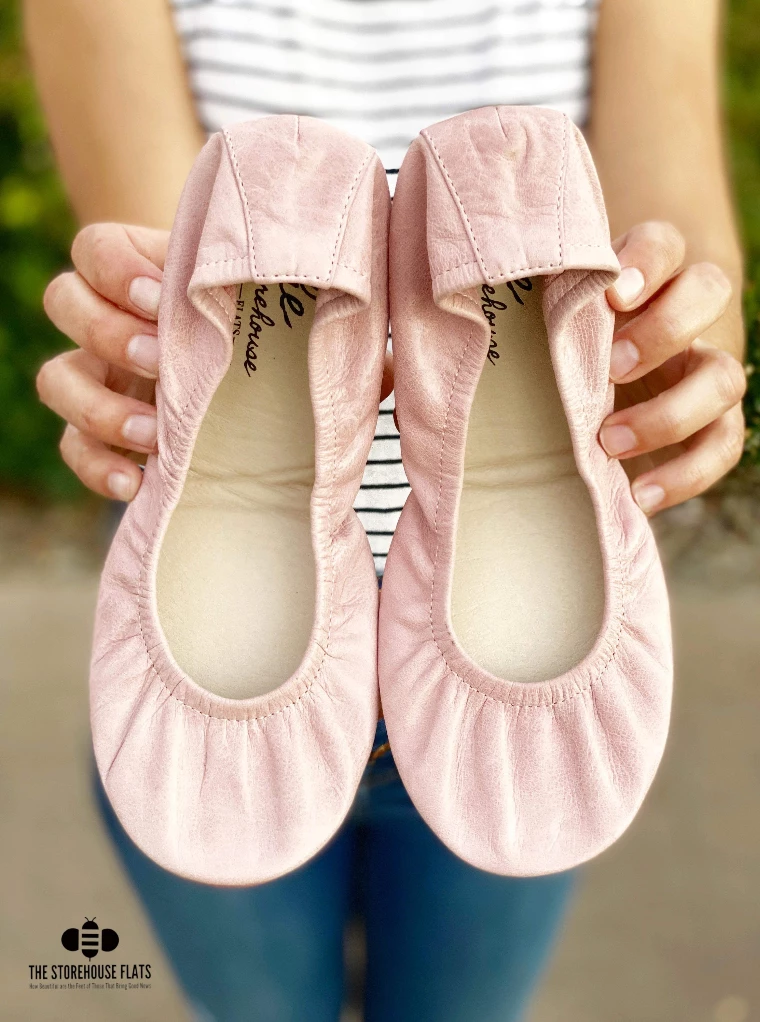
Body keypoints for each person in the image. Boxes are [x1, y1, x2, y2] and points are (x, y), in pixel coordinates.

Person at [29, 1, 746, 1019]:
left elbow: (683, 231)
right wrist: (139, 339)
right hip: (229, 541)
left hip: (522, 565)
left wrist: (681, 335)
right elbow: (176, 289)